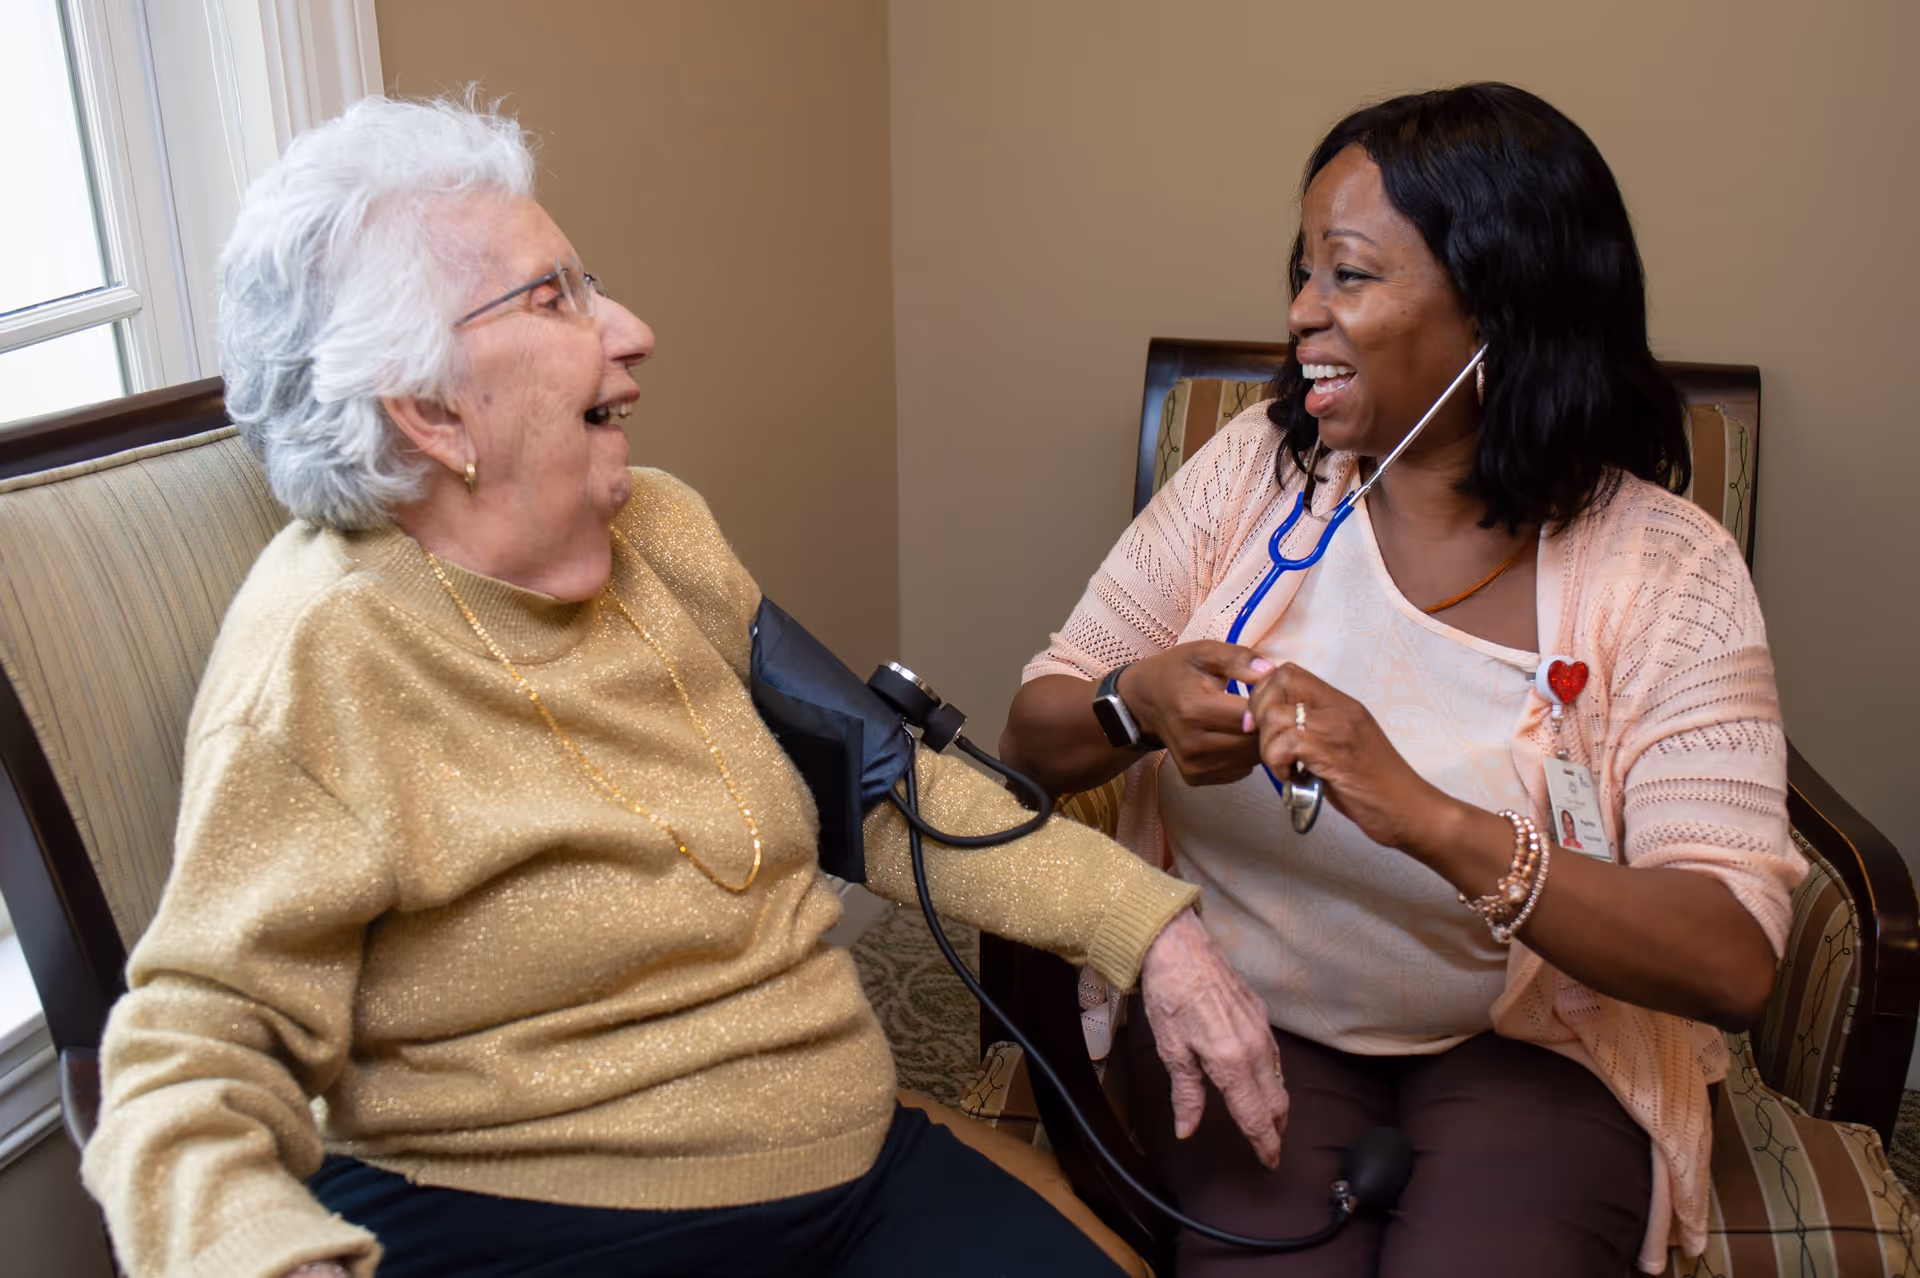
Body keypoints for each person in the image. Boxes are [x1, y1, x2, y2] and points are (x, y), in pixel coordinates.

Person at [78, 97, 1289, 1278]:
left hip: (847, 1165)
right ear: (431, 411)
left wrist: (1150, 927)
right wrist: (255, 1250)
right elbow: (189, 1056)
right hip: (536, 1218)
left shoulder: (661, 531)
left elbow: (884, 793)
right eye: (557, 297)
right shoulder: (326, 653)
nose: (634, 328)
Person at [1002, 83, 1804, 1277]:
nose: (1300, 313)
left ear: (1500, 310)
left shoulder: (1667, 568)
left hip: (1537, 1046)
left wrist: (1422, 814)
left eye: (1349, 277)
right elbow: (1036, 732)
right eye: (1303, 271)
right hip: (1251, 1002)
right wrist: (1139, 701)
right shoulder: (1253, 479)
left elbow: (1730, 954)